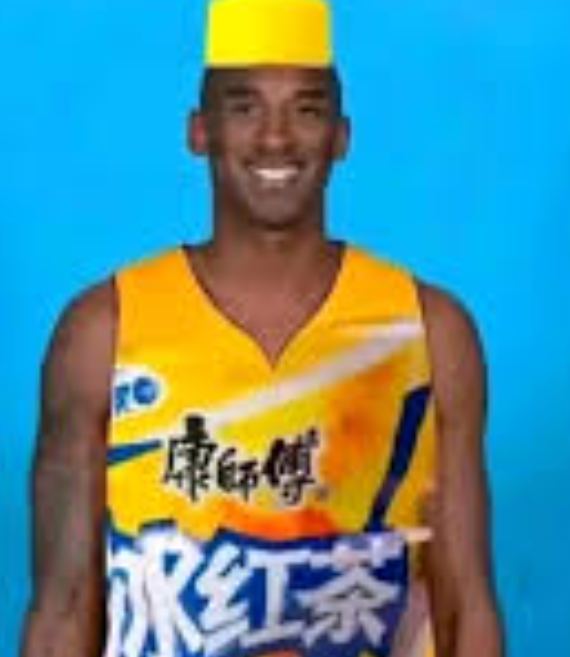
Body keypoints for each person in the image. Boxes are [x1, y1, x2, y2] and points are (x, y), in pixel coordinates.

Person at [21, 1, 504, 656]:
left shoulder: (428, 331)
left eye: (306, 110)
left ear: (341, 136)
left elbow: (466, 604)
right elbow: (64, 607)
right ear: (200, 131)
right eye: (245, 107)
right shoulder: (102, 331)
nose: (276, 139)